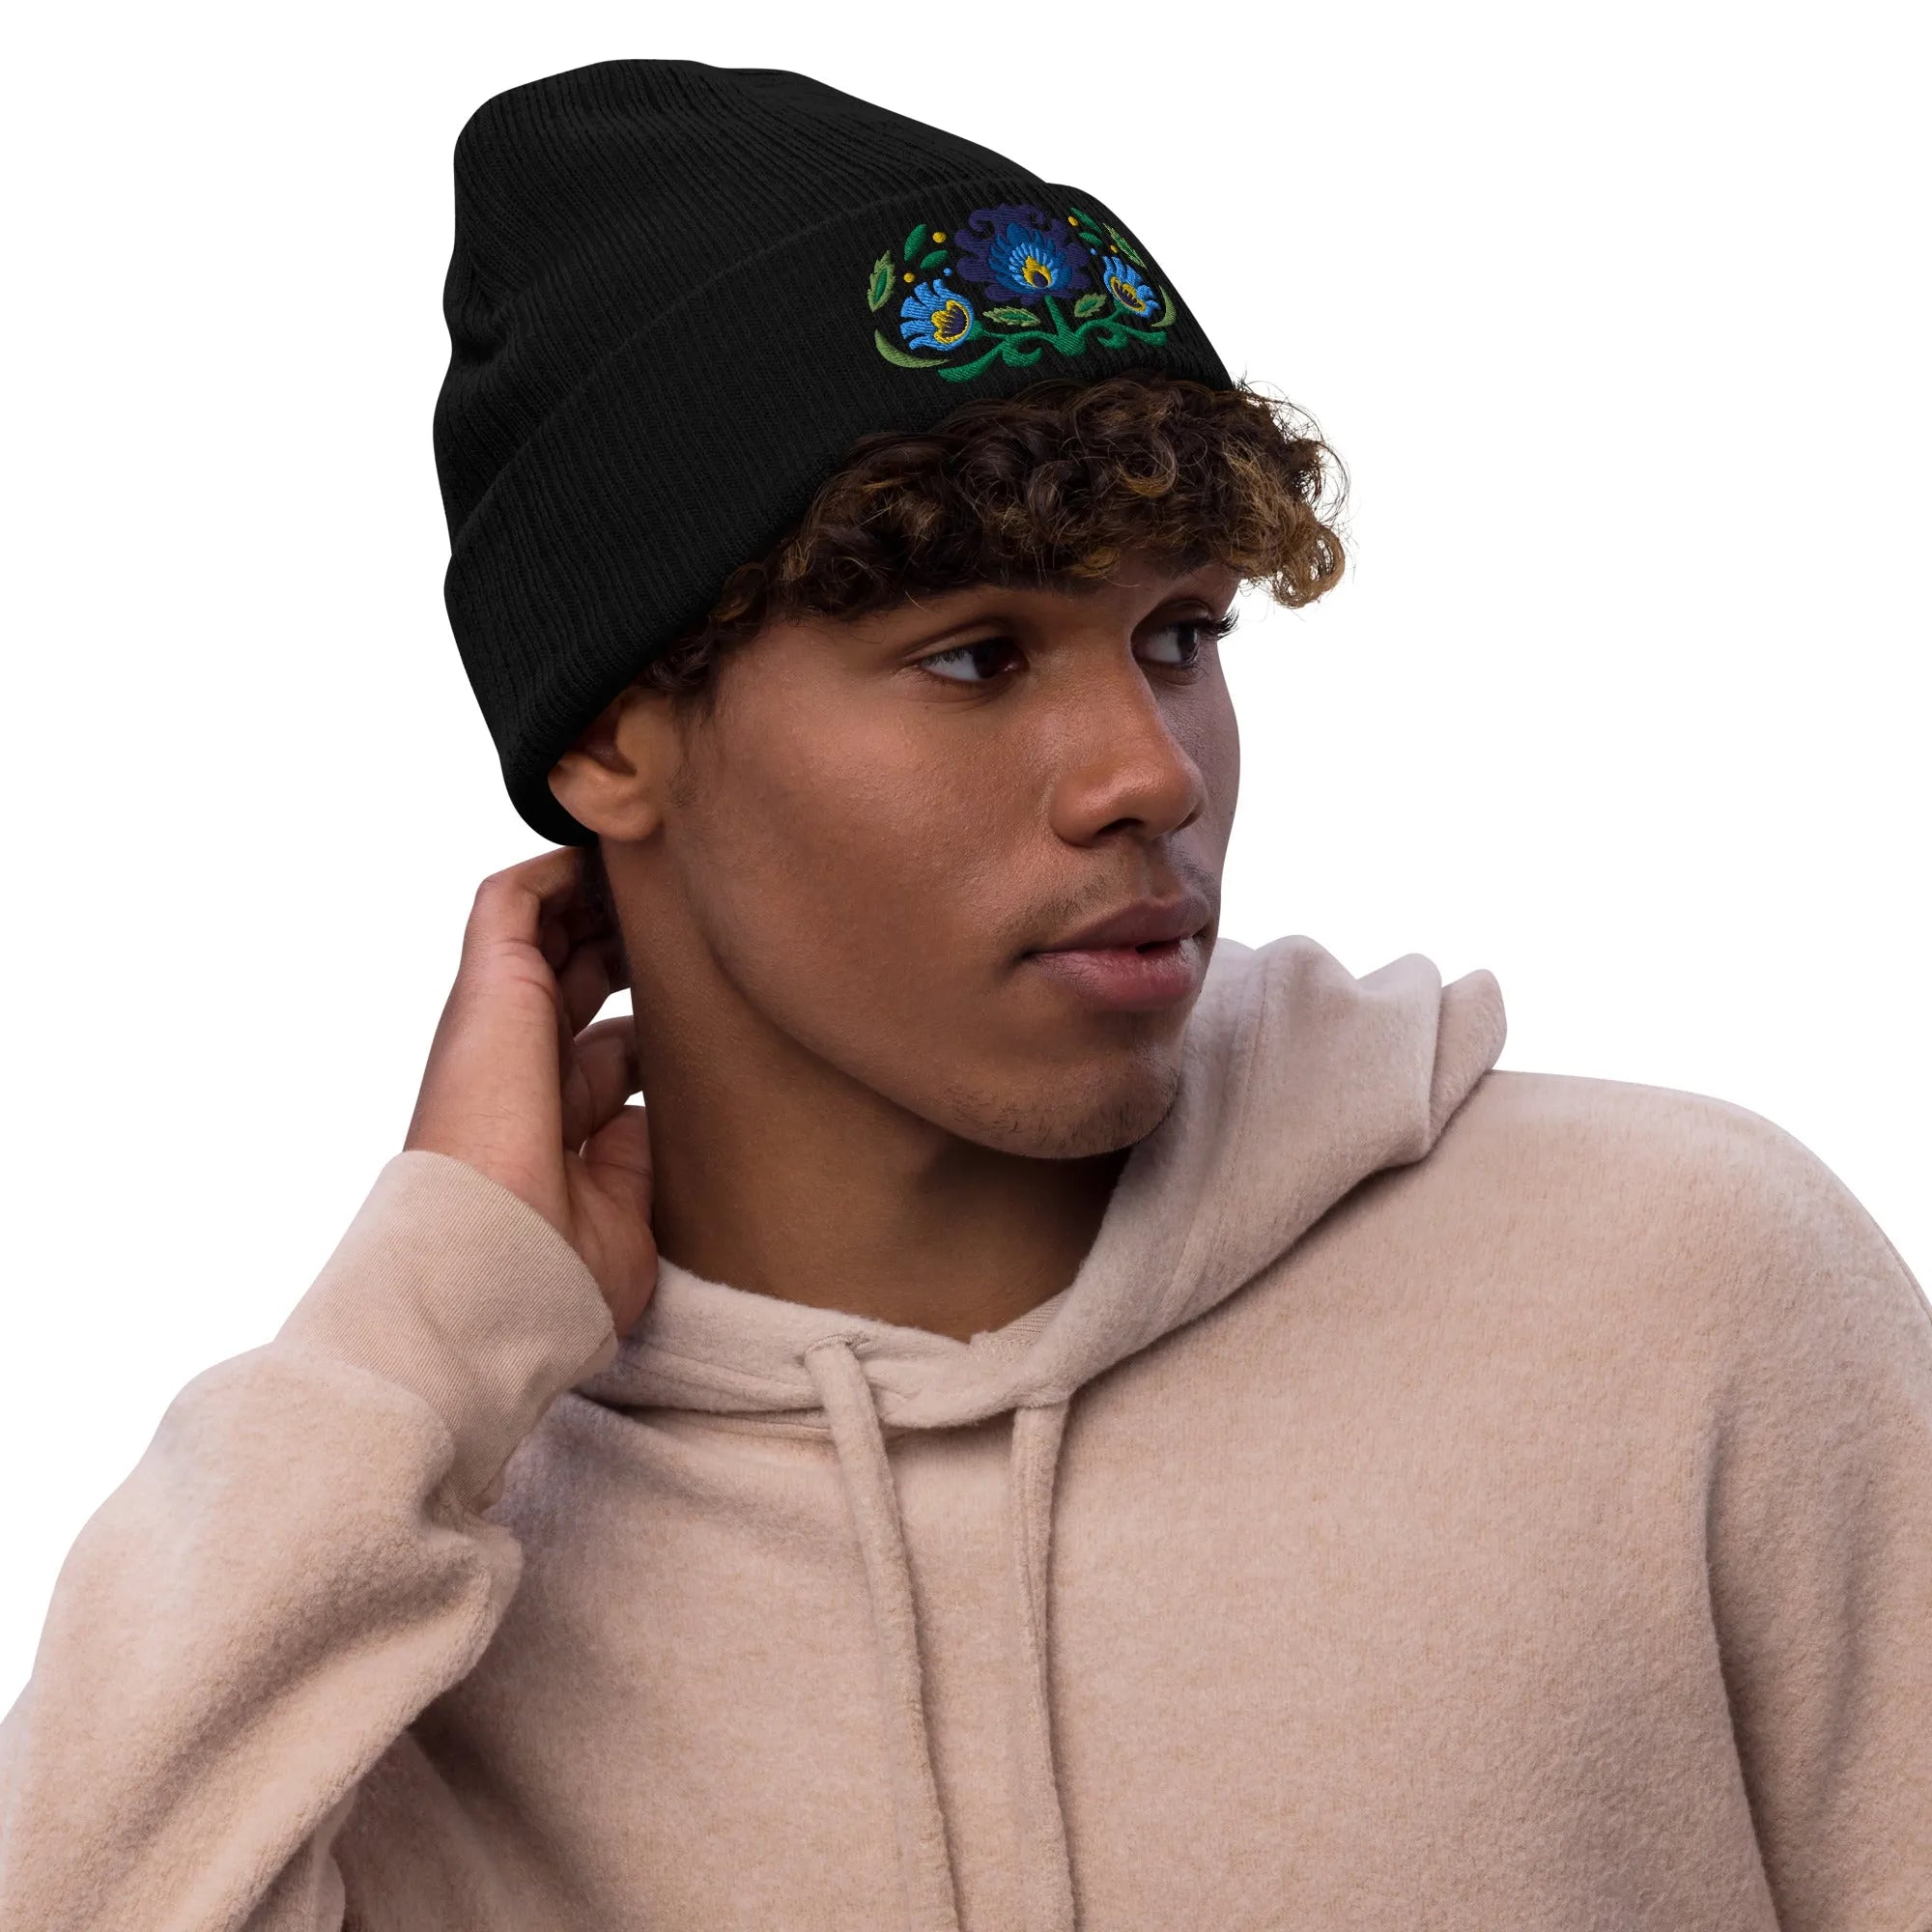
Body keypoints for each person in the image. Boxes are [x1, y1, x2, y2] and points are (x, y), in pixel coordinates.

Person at [2, 56, 1927, 1932]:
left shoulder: (1682, 1292)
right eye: (976, 657)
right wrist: (421, 1328)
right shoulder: (392, 1562)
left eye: (1179, 635)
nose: (1150, 773)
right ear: (611, 736)